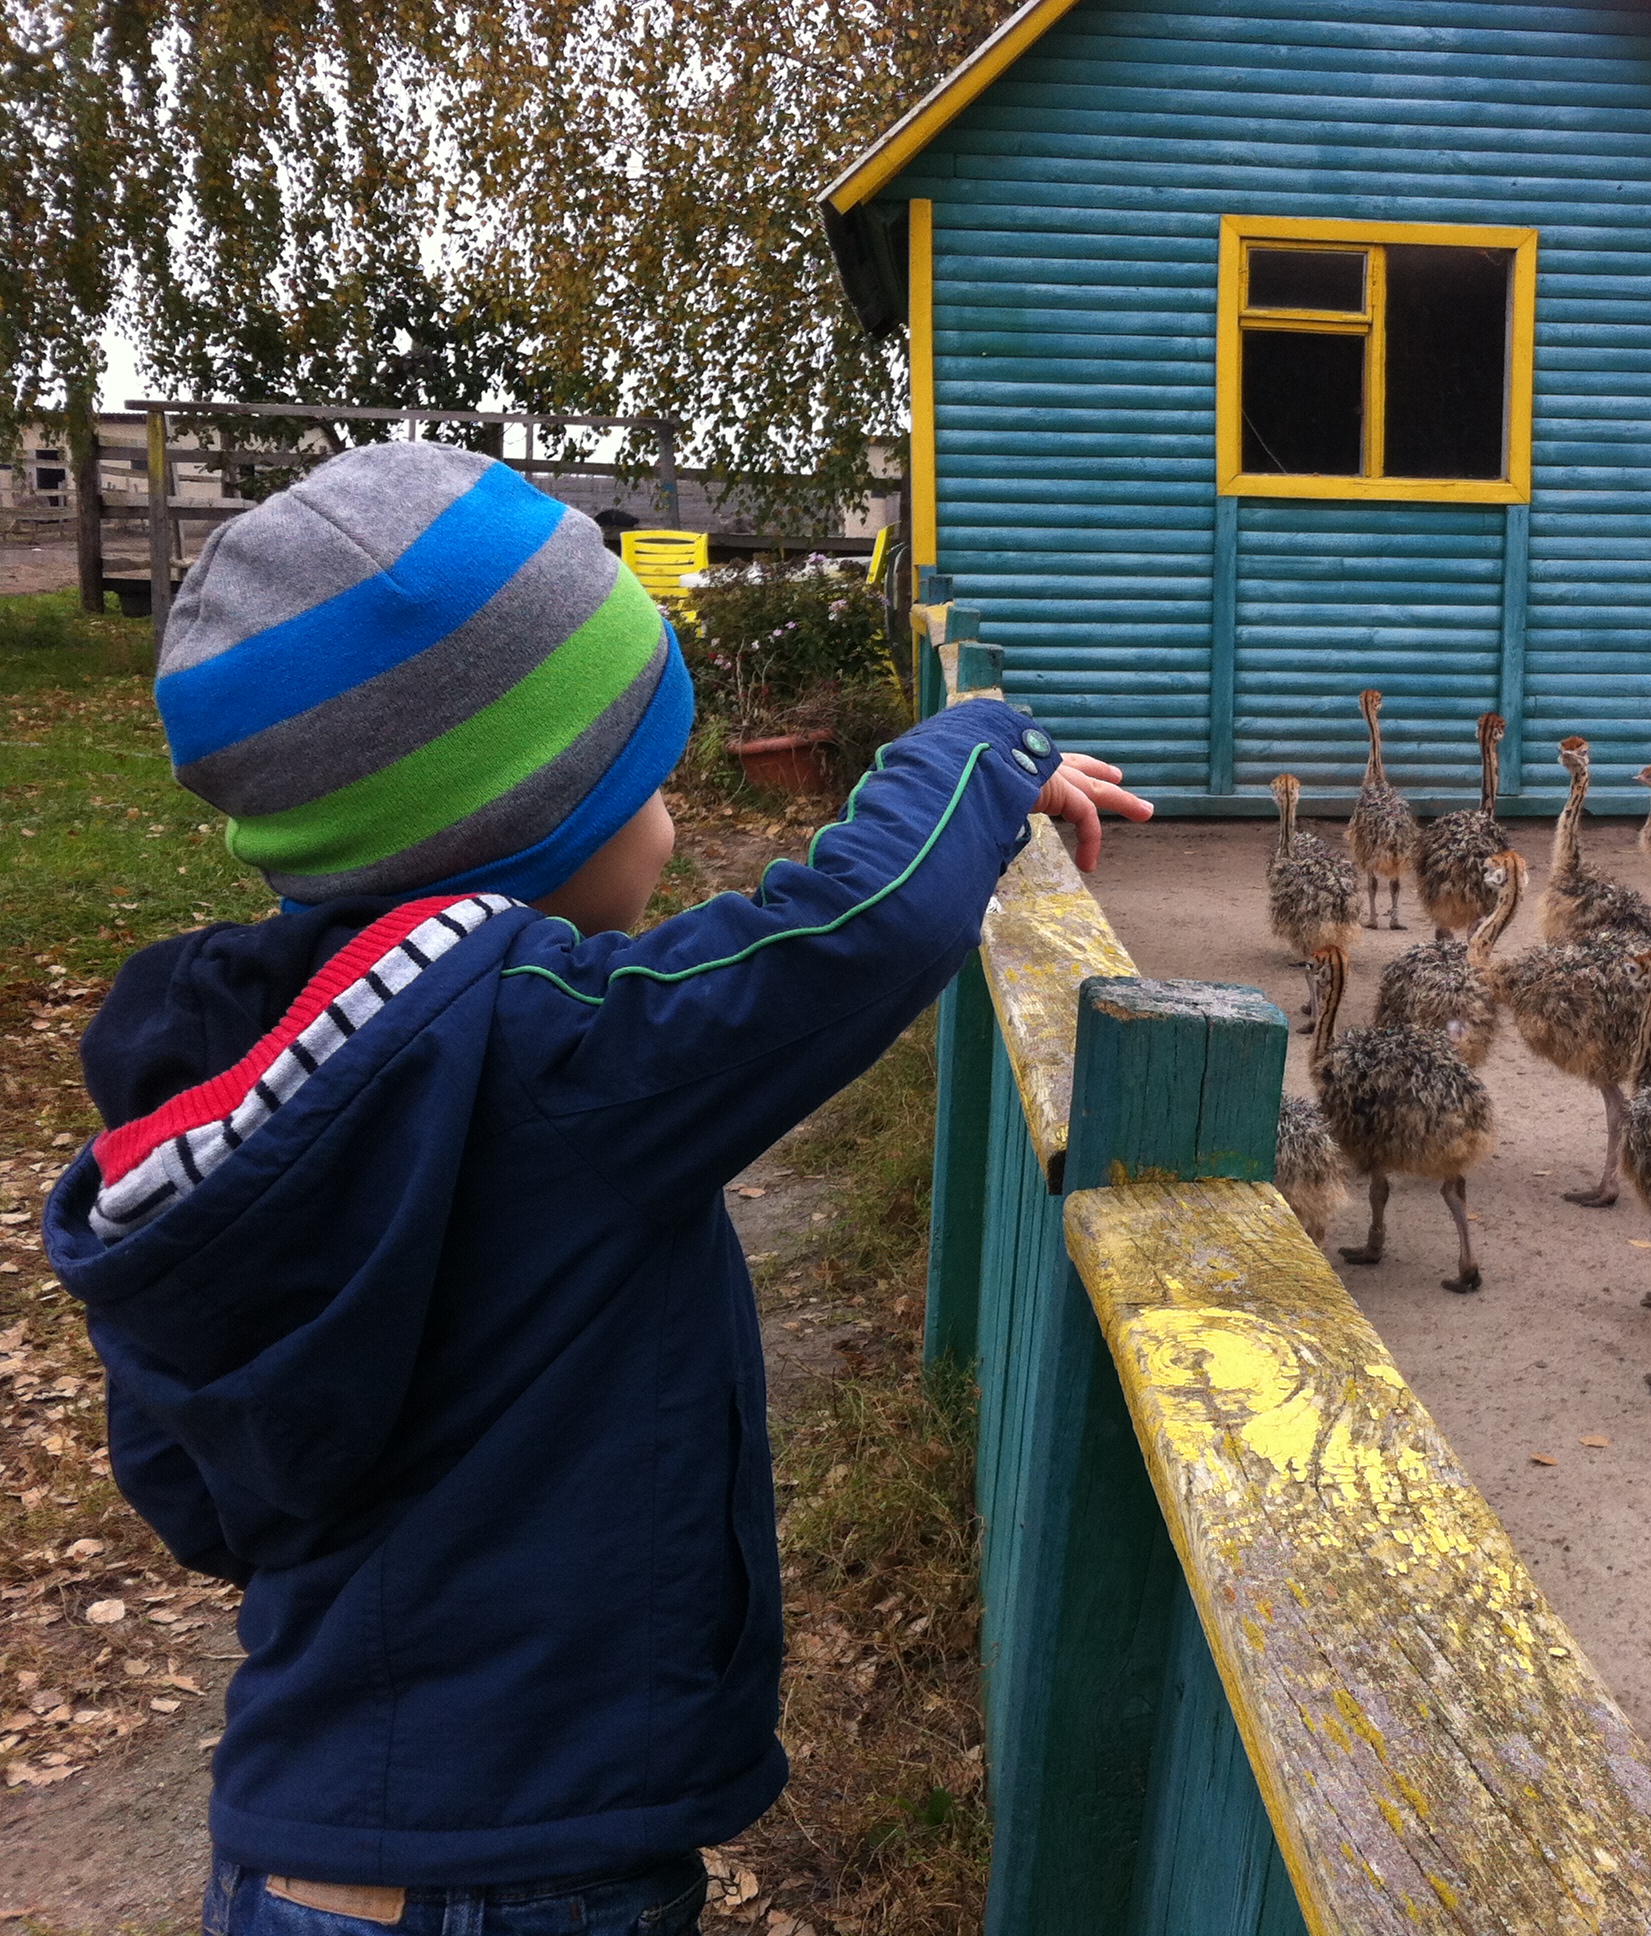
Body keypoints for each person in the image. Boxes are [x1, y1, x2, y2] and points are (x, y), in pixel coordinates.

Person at [40, 442, 1149, 1932]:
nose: (676, 820)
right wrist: (976, 747)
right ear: (527, 823)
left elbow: (191, 1487)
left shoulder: (227, 1075)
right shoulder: (550, 1056)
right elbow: (853, 940)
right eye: (650, 778)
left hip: (297, 1838)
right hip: (524, 1861)